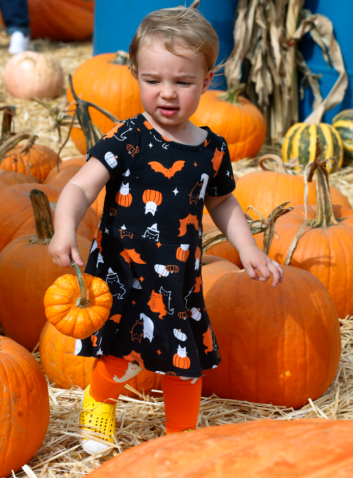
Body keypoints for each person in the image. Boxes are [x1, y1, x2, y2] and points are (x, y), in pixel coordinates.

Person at [47, 7, 283, 455]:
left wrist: (249, 249)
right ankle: (99, 402)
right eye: (153, 81)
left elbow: (222, 201)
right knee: (116, 351)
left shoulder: (212, 149)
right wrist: (64, 229)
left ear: (207, 80)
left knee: (184, 362)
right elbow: (80, 186)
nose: (167, 94)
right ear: (135, 75)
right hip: (124, 273)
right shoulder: (128, 138)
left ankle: (180, 436)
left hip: (176, 279)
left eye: (183, 82)